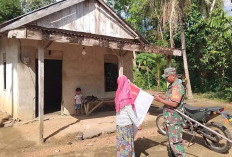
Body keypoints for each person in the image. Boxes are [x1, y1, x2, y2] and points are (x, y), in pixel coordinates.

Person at [154, 68, 186, 157]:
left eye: (167, 77)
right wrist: (160, 96)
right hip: (169, 119)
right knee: (170, 141)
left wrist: (160, 100)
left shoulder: (177, 87)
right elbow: (169, 97)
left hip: (174, 120)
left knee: (176, 142)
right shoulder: (171, 85)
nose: (166, 79)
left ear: (173, 75)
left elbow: (174, 103)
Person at [115, 75, 142, 157]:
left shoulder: (118, 95)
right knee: (127, 144)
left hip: (119, 125)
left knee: (121, 143)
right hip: (126, 125)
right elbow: (131, 113)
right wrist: (138, 124)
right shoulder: (126, 97)